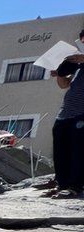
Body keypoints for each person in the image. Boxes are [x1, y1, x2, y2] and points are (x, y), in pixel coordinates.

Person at [49, 30, 84, 199]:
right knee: (60, 150)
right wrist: (59, 73)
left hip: (82, 113)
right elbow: (64, 85)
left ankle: (76, 186)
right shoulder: (77, 65)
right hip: (65, 113)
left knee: (78, 150)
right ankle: (62, 184)